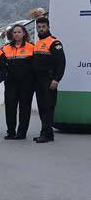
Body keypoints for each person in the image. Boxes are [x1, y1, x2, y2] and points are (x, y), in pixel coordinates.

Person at [32, 15, 66, 143]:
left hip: (49, 79)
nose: (41, 29)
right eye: (39, 27)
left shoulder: (54, 42)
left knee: (48, 107)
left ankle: (47, 134)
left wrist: (56, 79)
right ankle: (45, 133)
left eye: (43, 27)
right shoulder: (38, 43)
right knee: (42, 107)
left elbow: (61, 62)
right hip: (38, 80)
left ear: (48, 27)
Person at [2, 23, 34, 139]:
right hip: (11, 83)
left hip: (27, 83)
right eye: (14, 32)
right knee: (10, 107)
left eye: (19, 32)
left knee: (24, 108)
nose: (16, 34)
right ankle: (11, 132)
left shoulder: (31, 47)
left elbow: (35, 65)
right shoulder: (5, 48)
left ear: (24, 33)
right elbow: (1, 65)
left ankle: (21, 133)